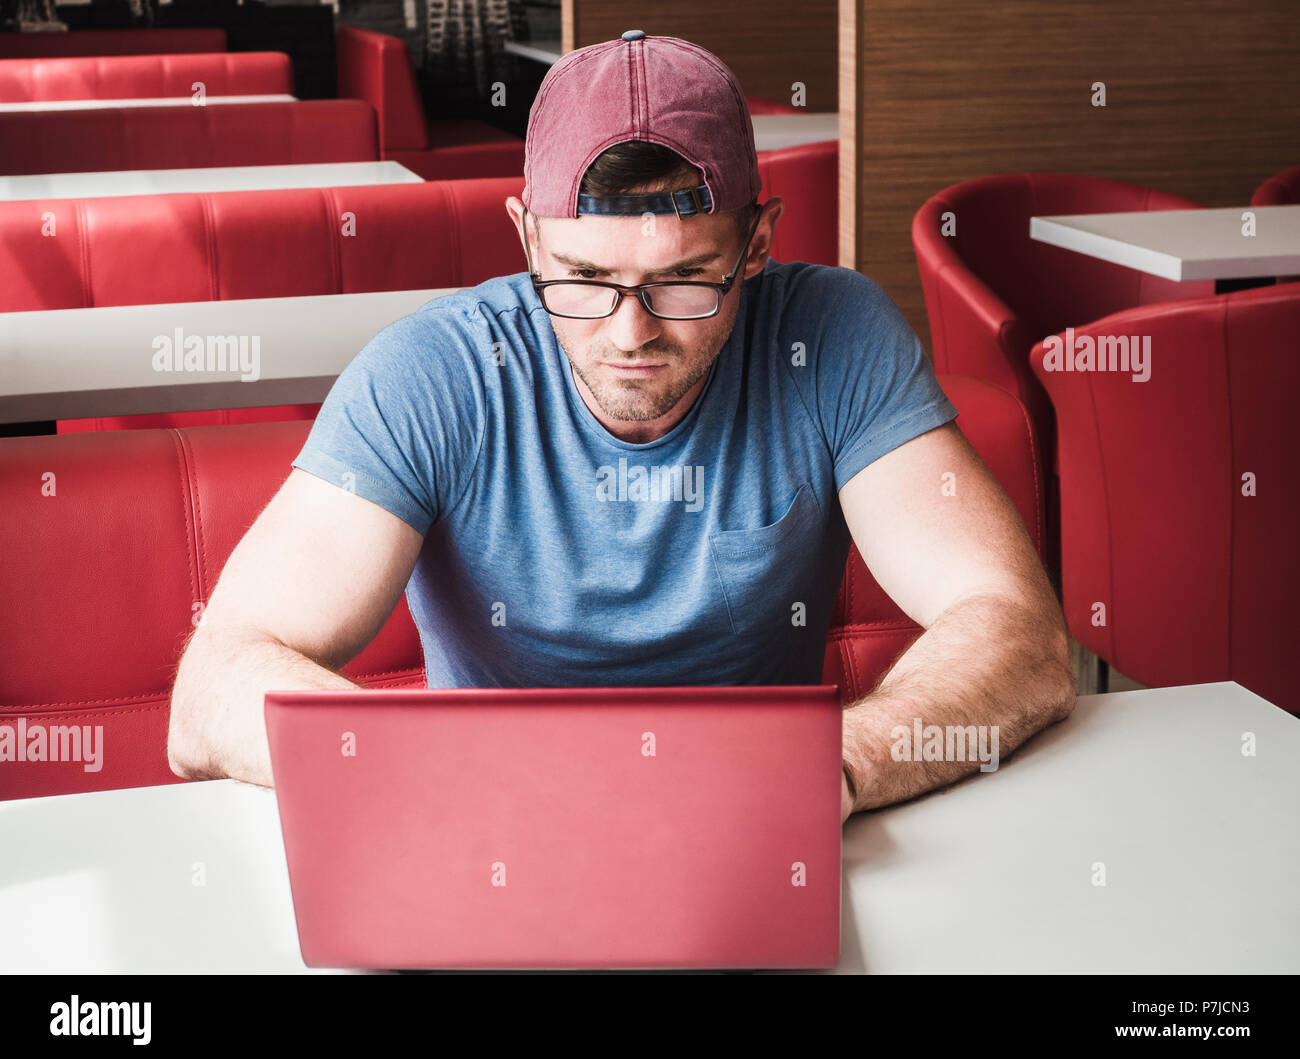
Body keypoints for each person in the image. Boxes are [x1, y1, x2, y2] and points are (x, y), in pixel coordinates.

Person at [168, 31, 1075, 821]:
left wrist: (832, 767)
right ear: (527, 240)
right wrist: (450, 779)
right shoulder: (434, 374)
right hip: (491, 832)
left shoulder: (833, 337)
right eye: (584, 278)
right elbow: (215, 687)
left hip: (769, 831)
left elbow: (1020, 634)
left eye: (684, 278)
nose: (630, 332)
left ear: (757, 244)